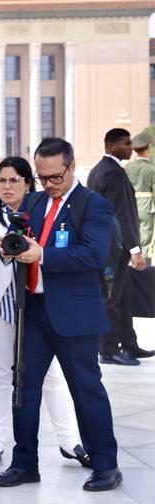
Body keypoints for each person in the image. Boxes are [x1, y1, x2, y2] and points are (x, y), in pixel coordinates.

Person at [0, 138, 122, 492]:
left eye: (55, 177)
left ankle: (106, 465)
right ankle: (24, 464)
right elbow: (20, 238)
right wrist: (9, 247)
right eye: (42, 176)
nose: (49, 184)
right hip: (33, 310)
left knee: (86, 390)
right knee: (24, 389)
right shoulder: (33, 201)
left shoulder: (93, 205)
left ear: (72, 166)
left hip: (75, 314)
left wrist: (42, 256)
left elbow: (93, 255)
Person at [0, 157, 88, 468]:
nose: (6, 187)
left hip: (34, 304)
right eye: (1, 181)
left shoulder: (43, 213)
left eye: (14, 180)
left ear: (29, 183)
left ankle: (70, 441)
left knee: (50, 376)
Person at [87, 128, 152, 365]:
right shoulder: (112, 173)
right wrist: (135, 250)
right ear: (113, 146)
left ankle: (129, 344)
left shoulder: (100, 170)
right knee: (111, 298)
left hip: (110, 246)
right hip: (113, 248)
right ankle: (108, 349)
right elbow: (121, 214)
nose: (130, 148)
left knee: (124, 296)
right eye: (126, 144)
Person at [125, 131, 155, 262]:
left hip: (131, 204)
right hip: (147, 204)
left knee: (133, 234)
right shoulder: (151, 168)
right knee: (147, 237)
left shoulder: (128, 167)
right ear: (148, 147)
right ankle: (145, 265)